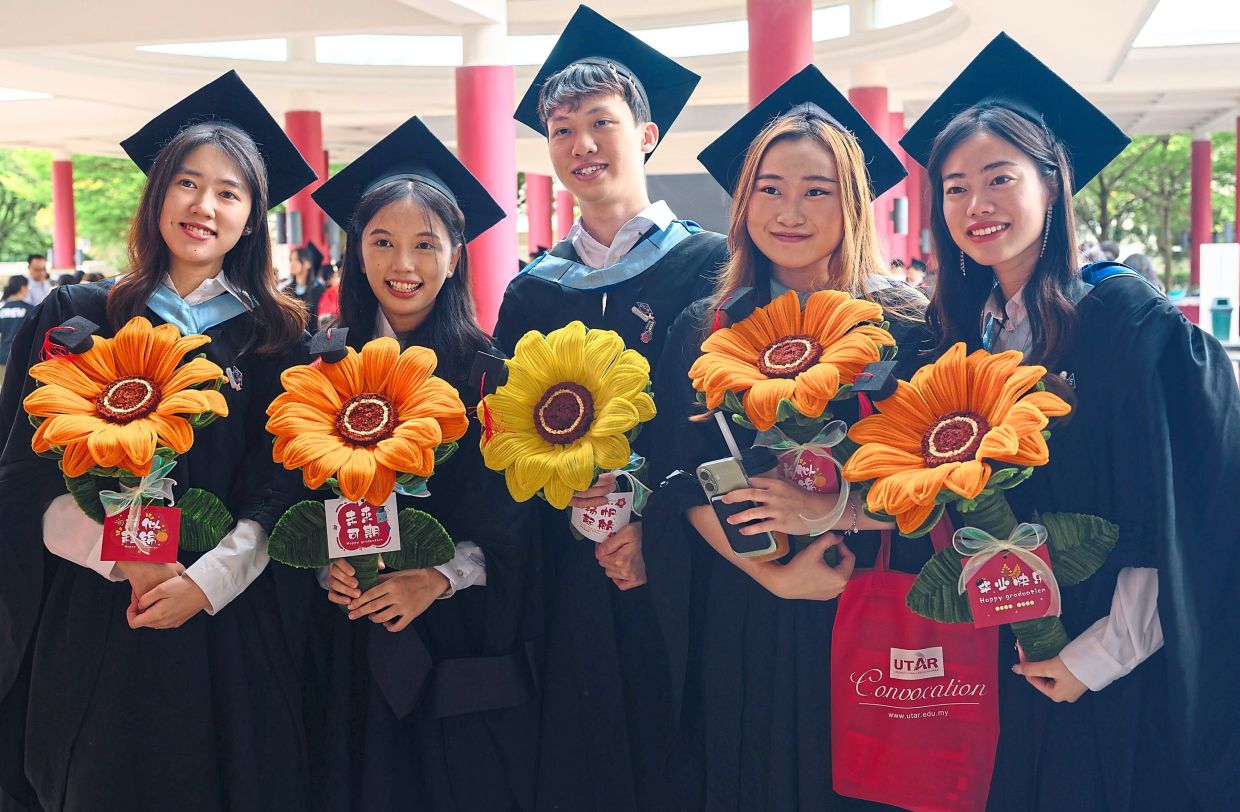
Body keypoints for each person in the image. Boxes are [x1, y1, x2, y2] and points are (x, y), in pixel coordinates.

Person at [900, 32, 1238, 811]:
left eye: (999, 178)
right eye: (953, 188)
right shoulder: (958, 334)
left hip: (1109, 656)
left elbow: (1182, 509)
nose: (975, 205)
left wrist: (1103, 653)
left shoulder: (1126, 322)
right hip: (1000, 642)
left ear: (1054, 187)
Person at [0, 70, 319, 812]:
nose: (204, 206)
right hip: (102, 625)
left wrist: (204, 583)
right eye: (187, 183)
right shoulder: (81, 317)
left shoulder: (278, 340)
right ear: (158, 195)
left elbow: (287, 486)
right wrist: (127, 560)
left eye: (229, 192)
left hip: (233, 625)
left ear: (252, 217)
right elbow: (23, 477)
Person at [645, 65, 930, 810]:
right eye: (770, 188)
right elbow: (681, 477)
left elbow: (941, 484)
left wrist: (835, 514)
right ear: (744, 203)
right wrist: (773, 575)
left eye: (816, 190)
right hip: (751, 605)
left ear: (854, 202)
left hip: (869, 589)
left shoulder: (905, 326)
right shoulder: (706, 328)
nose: (790, 211)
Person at [495, 7, 727, 809]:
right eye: (562, 130)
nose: (582, 145)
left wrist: (651, 526)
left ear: (649, 134)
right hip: (569, 560)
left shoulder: (711, 266)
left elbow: (719, 420)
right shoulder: (532, 290)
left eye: (602, 124)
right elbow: (505, 429)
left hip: (678, 556)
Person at [300, 116, 540, 811]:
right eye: (382, 242)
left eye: (424, 245)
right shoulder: (320, 361)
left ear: (456, 254)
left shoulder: (491, 373)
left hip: (452, 635)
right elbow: (291, 489)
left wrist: (435, 577)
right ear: (357, 252)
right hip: (343, 631)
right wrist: (326, 564)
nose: (403, 265)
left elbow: (512, 521)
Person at [284, 243, 326, 328]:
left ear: (308, 264)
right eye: (291, 260)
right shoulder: (287, 290)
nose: (292, 263)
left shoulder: (319, 290)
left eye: (296, 260)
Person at [0, 276, 32, 368]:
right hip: (22, 357)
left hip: (3, 357)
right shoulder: (29, 309)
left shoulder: (2, 310)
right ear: (23, 288)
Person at [315, 261, 339, 327]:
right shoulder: (326, 295)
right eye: (333, 276)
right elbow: (323, 321)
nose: (337, 279)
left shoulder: (341, 289)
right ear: (327, 280)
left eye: (337, 275)